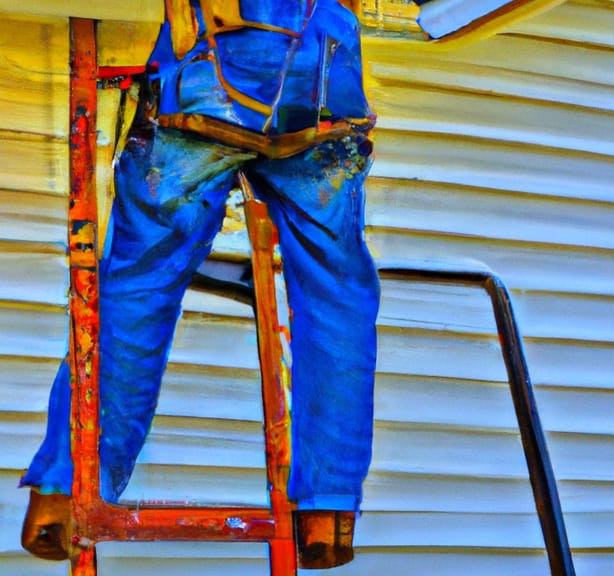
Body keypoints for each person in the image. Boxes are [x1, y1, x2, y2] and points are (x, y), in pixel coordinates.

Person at [20, 0, 379, 569]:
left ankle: (66, 491)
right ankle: (327, 512)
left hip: (206, 89)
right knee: (337, 293)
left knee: (139, 286)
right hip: (321, 95)